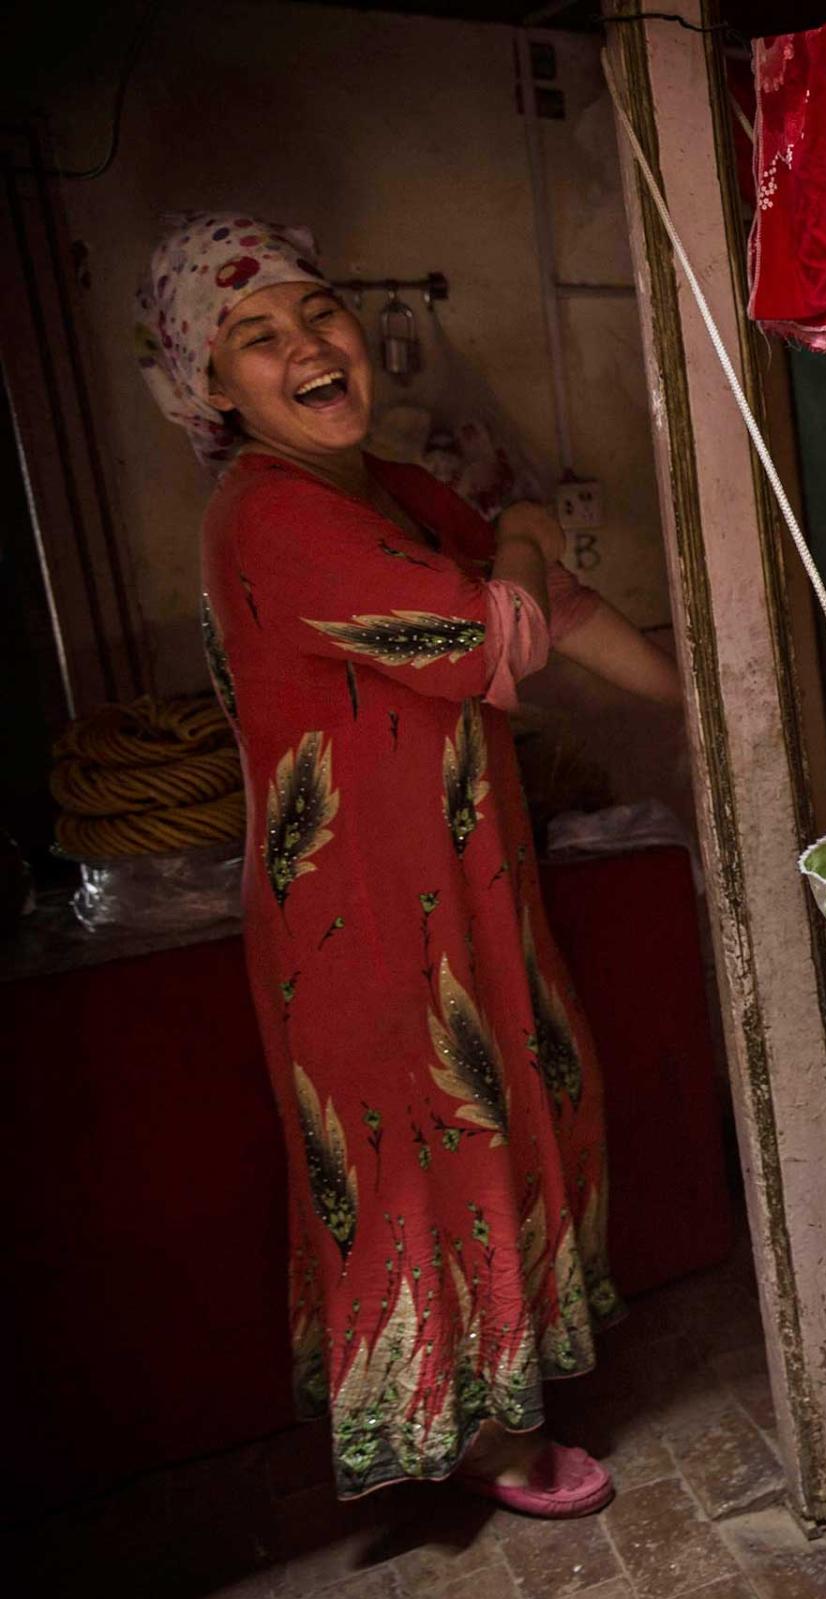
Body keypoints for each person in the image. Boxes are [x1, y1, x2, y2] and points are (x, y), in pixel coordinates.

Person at [136, 211, 680, 1515]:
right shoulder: (268, 514)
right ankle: (481, 1440)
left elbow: (548, 590)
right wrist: (528, 540)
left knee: (516, 1117)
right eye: (255, 338)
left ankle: (502, 1396)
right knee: (420, 1160)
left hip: (467, 889)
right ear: (211, 388)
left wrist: (709, 706)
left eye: (315, 313)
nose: (308, 348)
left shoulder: (380, 486)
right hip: (359, 925)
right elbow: (493, 631)